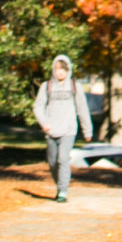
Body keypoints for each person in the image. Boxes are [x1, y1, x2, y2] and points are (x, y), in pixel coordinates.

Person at [34, 53, 92, 201]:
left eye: (63, 69)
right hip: (51, 130)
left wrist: (87, 130)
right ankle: (60, 185)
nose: (60, 72)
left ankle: (63, 192)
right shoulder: (46, 86)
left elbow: (82, 109)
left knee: (62, 158)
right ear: (53, 70)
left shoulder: (75, 86)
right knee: (53, 162)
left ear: (68, 70)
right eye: (57, 69)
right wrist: (44, 122)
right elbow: (38, 106)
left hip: (68, 130)